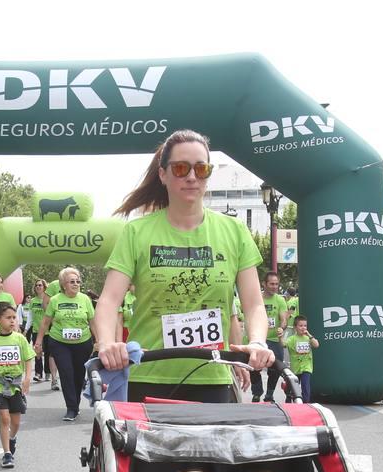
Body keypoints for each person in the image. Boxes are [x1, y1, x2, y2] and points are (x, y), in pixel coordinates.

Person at [93, 129, 275, 401]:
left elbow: (253, 304)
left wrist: (258, 341)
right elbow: (108, 300)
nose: (191, 177)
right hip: (148, 375)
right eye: (180, 168)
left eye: (201, 169)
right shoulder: (136, 232)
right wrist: (107, 343)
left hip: (212, 376)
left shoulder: (234, 231)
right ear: (163, 174)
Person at [34, 266, 95, 421]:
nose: (76, 284)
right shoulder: (55, 300)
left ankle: (75, 403)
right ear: (64, 285)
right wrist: (38, 342)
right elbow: (45, 322)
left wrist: (100, 341)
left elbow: (92, 322)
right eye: (72, 281)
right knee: (67, 373)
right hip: (60, 342)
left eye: (78, 281)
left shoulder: (85, 299)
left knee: (79, 375)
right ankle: (71, 408)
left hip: (82, 342)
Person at [0, 301, 33, 468]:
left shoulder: (20, 339)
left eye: (14, 318)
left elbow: (28, 359)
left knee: (16, 421)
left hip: (16, 385)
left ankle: (12, 438)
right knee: (4, 418)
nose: (12, 321)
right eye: (8, 318)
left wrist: (27, 379)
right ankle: (7, 453)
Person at [250, 271, 289, 402]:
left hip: (274, 340)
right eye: (271, 284)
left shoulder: (280, 300)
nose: (274, 287)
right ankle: (257, 392)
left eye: (276, 284)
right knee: (254, 367)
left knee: (275, 369)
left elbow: (284, 319)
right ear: (264, 284)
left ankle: (269, 394)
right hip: (258, 339)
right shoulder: (257, 298)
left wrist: (281, 327)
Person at [285, 316, 319, 402]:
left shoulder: (308, 338)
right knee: (293, 386)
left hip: (306, 367)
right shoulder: (292, 339)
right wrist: (280, 337)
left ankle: (306, 402)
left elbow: (316, 345)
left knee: (305, 386)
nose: (303, 328)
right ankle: (289, 399)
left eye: (305, 325)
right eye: (300, 326)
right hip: (296, 368)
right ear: (295, 327)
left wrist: (310, 335)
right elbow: (283, 344)